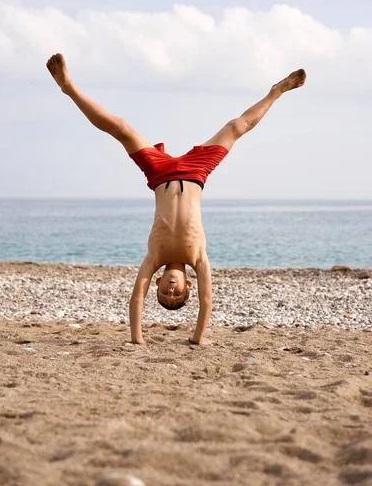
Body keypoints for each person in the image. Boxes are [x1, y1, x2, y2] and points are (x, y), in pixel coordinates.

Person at [46, 53, 306, 345]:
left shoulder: (153, 258)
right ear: (188, 286)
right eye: (178, 293)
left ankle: (70, 89)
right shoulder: (198, 259)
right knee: (236, 127)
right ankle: (277, 91)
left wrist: (137, 339)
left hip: (159, 173)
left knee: (121, 128)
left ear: (156, 284)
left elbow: (135, 298)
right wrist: (198, 338)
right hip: (197, 172)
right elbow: (207, 301)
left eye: (164, 293)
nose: (171, 290)